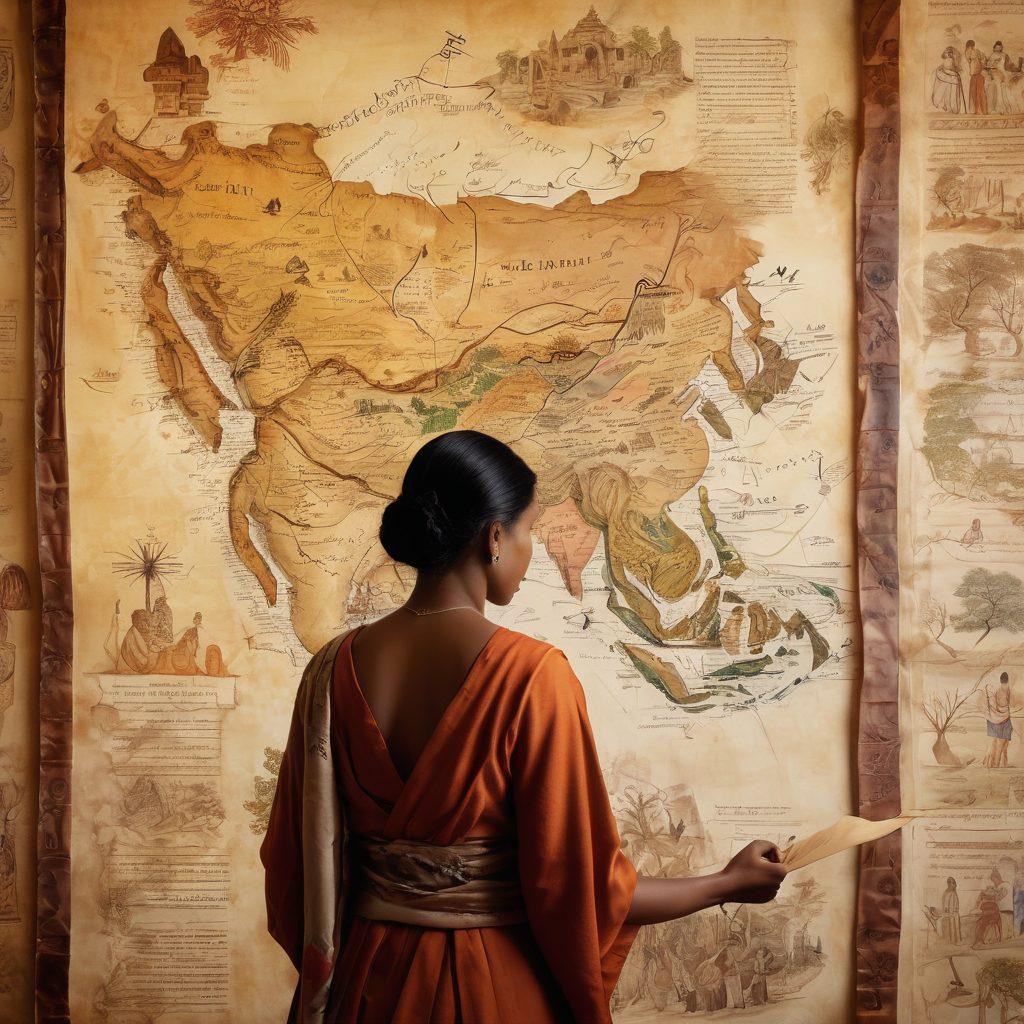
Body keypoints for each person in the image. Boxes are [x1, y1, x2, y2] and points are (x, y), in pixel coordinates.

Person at [259, 429, 787, 1023]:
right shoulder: (531, 676)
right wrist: (726, 883)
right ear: (492, 537)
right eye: (529, 530)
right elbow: (580, 890)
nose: (532, 549)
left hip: (363, 986)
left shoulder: (330, 668)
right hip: (488, 989)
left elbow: (291, 868)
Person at [983, 671, 1014, 768]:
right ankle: (997, 764)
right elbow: (1010, 705)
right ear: (1007, 681)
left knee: (997, 742)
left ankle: (997, 764)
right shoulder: (1008, 690)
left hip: (994, 719)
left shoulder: (997, 690)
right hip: (1002, 720)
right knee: (1002, 743)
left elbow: (993, 705)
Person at [932, 46, 966, 113]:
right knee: (946, 86)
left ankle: (951, 107)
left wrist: (954, 75)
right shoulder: (939, 70)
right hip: (946, 78)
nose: (949, 61)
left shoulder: (955, 72)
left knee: (953, 85)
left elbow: (955, 73)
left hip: (951, 77)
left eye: (950, 60)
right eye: (947, 59)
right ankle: (945, 106)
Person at [940, 876, 962, 944]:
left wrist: (956, 908)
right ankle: (953, 940)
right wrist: (947, 910)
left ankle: (958, 940)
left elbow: (956, 902)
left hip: (955, 912)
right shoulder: (947, 892)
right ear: (949, 884)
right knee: (952, 926)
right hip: (950, 912)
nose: (954, 886)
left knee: (957, 926)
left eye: (953, 884)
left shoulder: (953, 892)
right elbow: (945, 903)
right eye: (952, 884)